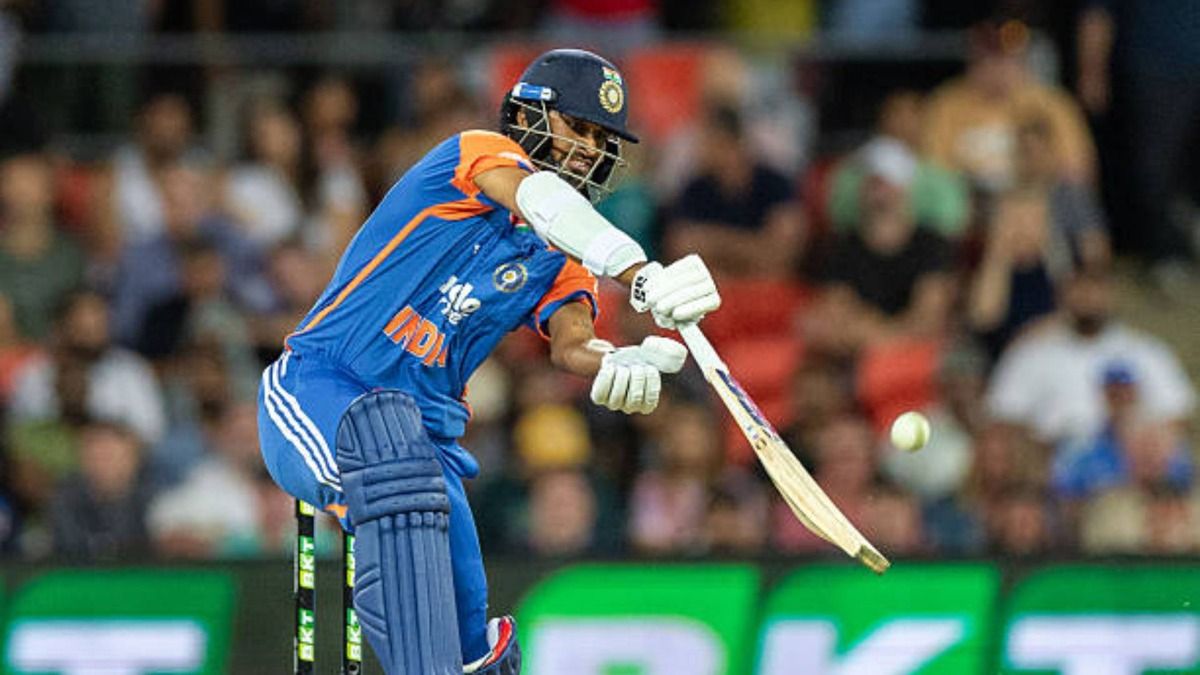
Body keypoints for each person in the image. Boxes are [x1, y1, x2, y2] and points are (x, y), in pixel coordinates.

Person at [256, 49, 720, 675]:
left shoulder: (562, 258)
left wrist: (616, 359)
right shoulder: (476, 155)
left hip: (426, 449)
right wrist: (640, 272)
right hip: (320, 390)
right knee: (390, 461)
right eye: (578, 128)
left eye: (601, 139)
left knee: (476, 647)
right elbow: (539, 199)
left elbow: (571, 342)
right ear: (529, 115)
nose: (588, 149)